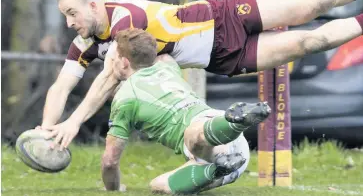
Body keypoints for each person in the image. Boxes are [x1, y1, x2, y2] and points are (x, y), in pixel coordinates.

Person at [41, 0, 363, 148]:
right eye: (65, 16)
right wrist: (47, 129)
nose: (70, 22)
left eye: (73, 13)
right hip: (224, 58)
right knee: (311, 43)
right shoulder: (86, 42)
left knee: (315, 3)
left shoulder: (126, 17)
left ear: (95, 5)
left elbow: (110, 78)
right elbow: (62, 84)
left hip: (224, 17)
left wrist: (73, 123)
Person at [97, 28, 271, 193]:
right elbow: (162, 51)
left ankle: (235, 124)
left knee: (191, 135)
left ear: (124, 62)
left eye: (113, 59)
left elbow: (110, 161)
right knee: (158, 185)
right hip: (231, 154)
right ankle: (218, 164)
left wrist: (113, 189)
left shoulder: (125, 98)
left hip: (207, 129)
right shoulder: (168, 65)